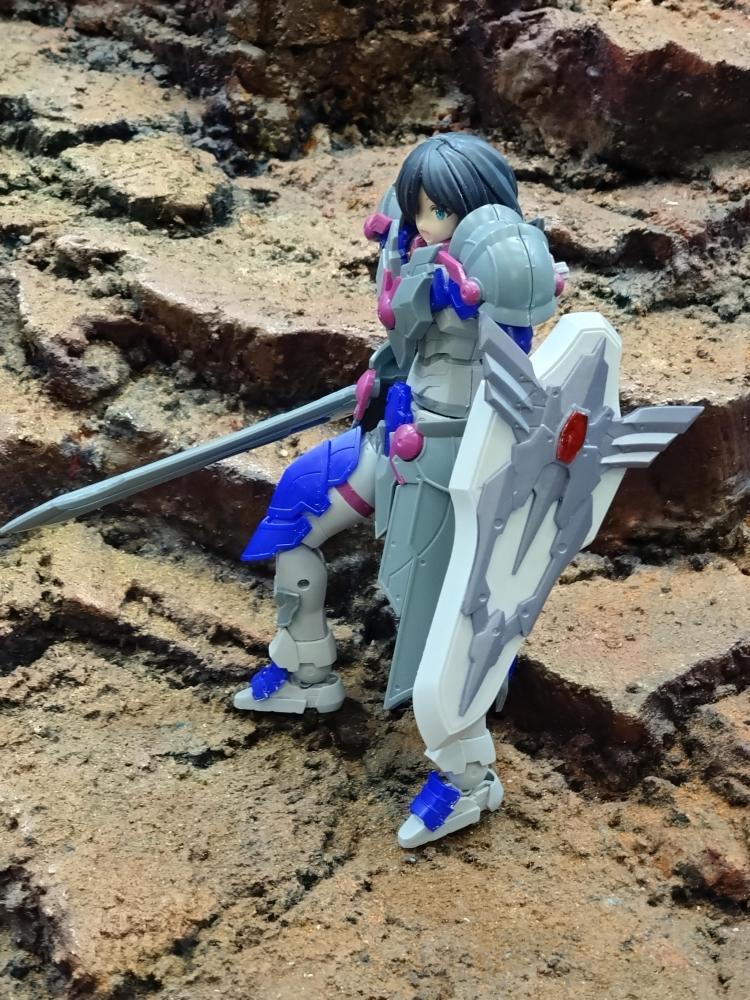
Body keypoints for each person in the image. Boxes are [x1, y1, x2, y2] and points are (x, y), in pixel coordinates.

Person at [234, 133, 562, 846]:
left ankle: (469, 776)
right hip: (396, 434)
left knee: (441, 623)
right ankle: (308, 669)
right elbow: (404, 319)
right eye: (420, 207)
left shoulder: (499, 261)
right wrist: (386, 384)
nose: (426, 222)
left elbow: (520, 376)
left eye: (442, 209)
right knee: (298, 510)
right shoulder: (414, 244)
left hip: (452, 461)